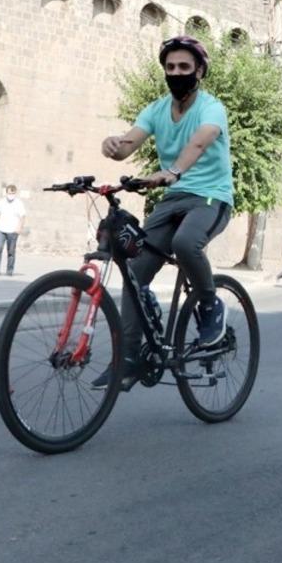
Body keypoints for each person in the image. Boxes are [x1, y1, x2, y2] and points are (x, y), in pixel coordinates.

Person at [93, 35, 233, 390]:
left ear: (199, 71)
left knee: (186, 243)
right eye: (170, 67)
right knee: (133, 271)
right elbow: (127, 145)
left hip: (211, 197)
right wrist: (112, 145)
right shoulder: (156, 110)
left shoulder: (211, 107)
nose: (176, 73)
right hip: (172, 198)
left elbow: (200, 141)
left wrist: (173, 171)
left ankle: (210, 305)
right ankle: (127, 359)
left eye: (184, 67)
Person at [0, 184, 25, 276]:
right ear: (6, 193)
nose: (11, 195)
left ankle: (9, 270)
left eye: (13, 193)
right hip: (1, 229)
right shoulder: (1, 202)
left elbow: (22, 217)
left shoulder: (19, 203)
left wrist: (19, 227)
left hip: (13, 231)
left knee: (11, 251)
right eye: (9, 193)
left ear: (15, 193)